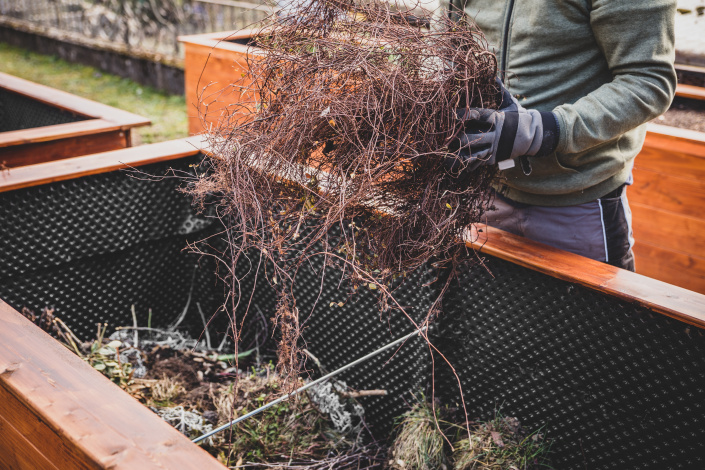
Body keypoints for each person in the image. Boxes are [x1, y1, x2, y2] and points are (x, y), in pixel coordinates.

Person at [448, 0, 678, 271]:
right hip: (481, 189)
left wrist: (542, 130)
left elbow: (647, 80)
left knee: (589, 313)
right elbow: (446, 35)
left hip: (577, 201)